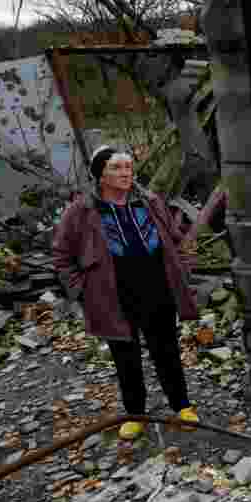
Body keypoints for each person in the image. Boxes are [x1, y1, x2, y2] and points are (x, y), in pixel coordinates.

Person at [53, 144, 207, 440]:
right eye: (116, 168)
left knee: (167, 351)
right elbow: (61, 256)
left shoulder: (149, 202)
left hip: (157, 290)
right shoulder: (82, 211)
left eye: (128, 167)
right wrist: (82, 292)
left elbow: (178, 240)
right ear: (100, 175)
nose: (125, 173)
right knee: (126, 358)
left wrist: (183, 269)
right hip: (112, 297)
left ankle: (182, 406)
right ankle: (135, 414)